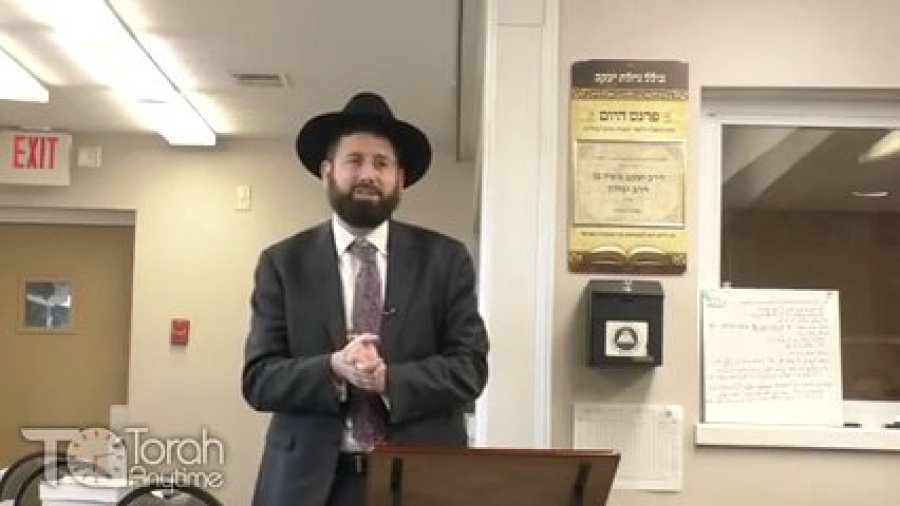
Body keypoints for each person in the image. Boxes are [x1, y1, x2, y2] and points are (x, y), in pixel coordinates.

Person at [241, 91, 490, 506]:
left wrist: (389, 380)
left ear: (400, 178)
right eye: (354, 161)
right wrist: (333, 369)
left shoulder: (445, 260)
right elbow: (259, 379)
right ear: (327, 172)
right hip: (308, 487)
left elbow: (470, 369)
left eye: (381, 163)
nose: (368, 174)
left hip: (419, 483)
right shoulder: (283, 263)